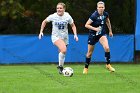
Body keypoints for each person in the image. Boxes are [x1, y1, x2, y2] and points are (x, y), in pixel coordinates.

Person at [38, 2, 78, 74]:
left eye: (60, 8)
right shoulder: (53, 16)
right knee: (64, 49)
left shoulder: (68, 16)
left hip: (65, 37)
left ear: (64, 9)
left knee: (62, 52)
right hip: (55, 36)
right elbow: (44, 22)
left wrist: (75, 34)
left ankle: (60, 67)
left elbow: (73, 25)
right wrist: (41, 31)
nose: (59, 9)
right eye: (57, 8)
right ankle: (60, 67)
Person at [83, 1, 115, 74]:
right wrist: (95, 29)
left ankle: (108, 64)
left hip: (101, 34)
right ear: (97, 8)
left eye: (102, 7)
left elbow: (107, 21)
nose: (101, 8)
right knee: (89, 53)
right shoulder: (94, 15)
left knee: (107, 47)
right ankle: (86, 68)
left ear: (104, 8)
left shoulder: (105, 14)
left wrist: (110, 31)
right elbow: (86, 25)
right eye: (99, 7)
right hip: (93, 35)